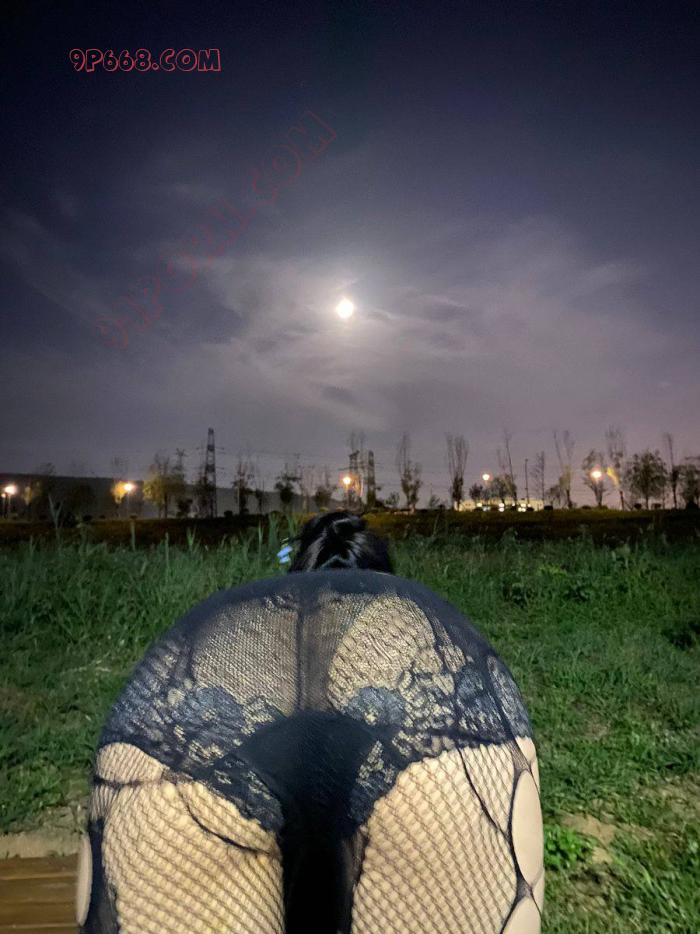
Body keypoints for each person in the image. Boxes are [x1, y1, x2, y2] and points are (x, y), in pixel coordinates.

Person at [77, 511, 544, 934]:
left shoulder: (244, 626)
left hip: (187, 748)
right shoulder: (415, 630)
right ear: (389, 586)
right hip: (438, 757)